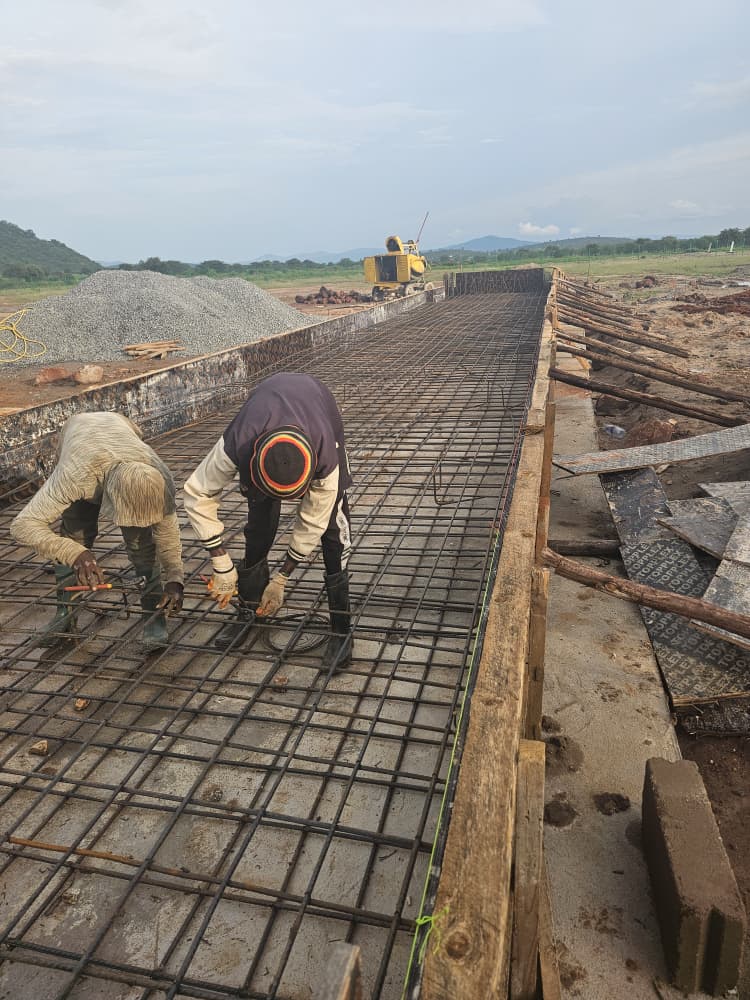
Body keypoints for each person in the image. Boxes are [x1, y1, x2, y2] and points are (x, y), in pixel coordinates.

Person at [183, 372, 353, 670]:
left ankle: (341, 630)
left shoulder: (326, 457)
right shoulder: (241, 439)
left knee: (331, 532)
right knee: (258, 525)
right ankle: (249, 609)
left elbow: (312, 521)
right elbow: (197, 491)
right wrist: (220, 561)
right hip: (265, 409)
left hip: (317, 404)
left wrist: (282, 578)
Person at [10, 411, 184, 650]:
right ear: (112, 500)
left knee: (142, 544)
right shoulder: (74, 475)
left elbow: (167, 533)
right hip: (81, 438)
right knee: (75, 534)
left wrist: (175, 577)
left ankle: (153, 618)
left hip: (119, 427)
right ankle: (66, 615)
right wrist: (75, 553)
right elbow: (22, 525)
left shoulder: (160, 476)